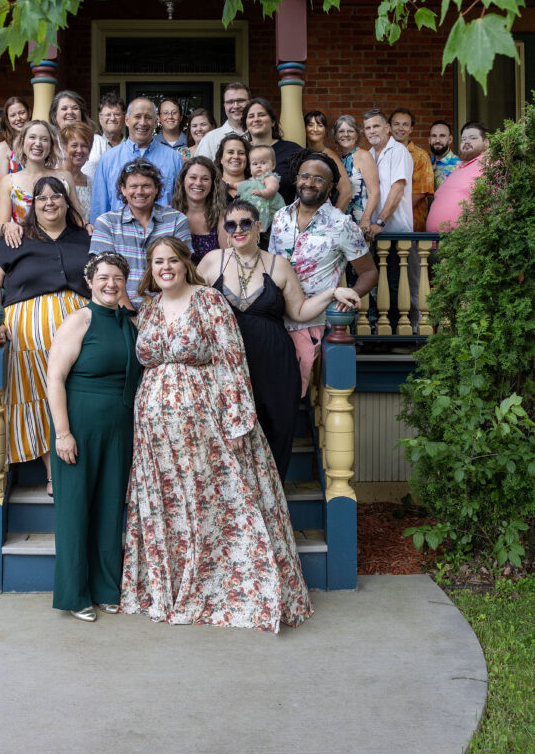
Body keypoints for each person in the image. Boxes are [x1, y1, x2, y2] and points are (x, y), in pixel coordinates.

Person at [120, 236, 314, 632]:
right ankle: (171, 588)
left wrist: (238, 418)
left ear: (185, 263)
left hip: (205, 426)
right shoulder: (150, 308)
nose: (165, 268)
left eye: (172, 260)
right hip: (156, 435)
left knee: (214, 503)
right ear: (150, 269)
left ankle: (219, 588)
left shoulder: (208, 301)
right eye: (157, 263)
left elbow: (232, 360)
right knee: (172, 507)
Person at [198, 201, 360, 480]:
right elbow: (192, 308)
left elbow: (298, 311)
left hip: (274, 367)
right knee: (227, 440)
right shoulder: (213, 261)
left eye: (246, 223)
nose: (238, 229)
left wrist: (333, 292)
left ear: (259, 227)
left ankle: (272, 506)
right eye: (231, 225)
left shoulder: (279, 265)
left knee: (276, 432)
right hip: (225, 371)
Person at [47, 252, 140, 621]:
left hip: (120, 430)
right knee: (74, 512)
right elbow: (54, 378)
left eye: (117, 277)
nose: (110, 283)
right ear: (90, 281)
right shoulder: (79, 320)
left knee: (108, 510)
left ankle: (106, 588)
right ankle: (74, 595)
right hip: (79, 429)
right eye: (103, 277)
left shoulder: (129, 323)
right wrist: (63, 433)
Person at [0, 176, 91, 494]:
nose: (49, 203)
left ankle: (82, 460)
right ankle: (52, 470)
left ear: (67, 202)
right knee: (38, 392)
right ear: (33, 205)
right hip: (28, 336)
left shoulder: (84, 239)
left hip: (80, 329)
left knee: (80, 391)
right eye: (41, 198)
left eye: (56, 196)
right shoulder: (17, 238)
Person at [270, 151, 377, 394]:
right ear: (297, 179)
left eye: (318, 179)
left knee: (294, 393)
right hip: (274, 319)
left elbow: (369, 272)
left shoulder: (342, 225)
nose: (309, 183)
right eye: (305, 176)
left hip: (311, 322)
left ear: (330, 187)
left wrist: (349, 296)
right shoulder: (279, 218)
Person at [89, 159, 191, 306]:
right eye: (133, 186)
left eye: (146, 186)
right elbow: (107, 276)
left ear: (156, 189)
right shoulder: (106, 223)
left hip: (168, 308)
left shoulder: (177, 220)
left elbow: (181, 270)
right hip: (118, 310)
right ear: (123, 189)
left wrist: (160, 313)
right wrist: (130, 315)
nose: (139, 191)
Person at [89, 97, 183, 223]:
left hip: (162, 238)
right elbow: (99, 208)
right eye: (137, 116)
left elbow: (181, 205)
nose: (142, 122)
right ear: (127, 120)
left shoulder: (174, 159)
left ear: (156, 122)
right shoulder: (108, 159)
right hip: (118, 238)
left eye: (148, 117)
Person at [362, 108, 413, 333]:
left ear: (387, 128)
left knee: (393, 285)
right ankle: (377, 332)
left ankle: (394, 336)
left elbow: (397, 189)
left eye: (376, 126)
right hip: (373, 234)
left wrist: (380, 222)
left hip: (394, 231)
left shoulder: (398, 151)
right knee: (376, 285)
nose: (372, 131)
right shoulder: (369, 154)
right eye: (368, 127)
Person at [0, 119, 84, 247]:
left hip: (62, 245)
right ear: (22, 141)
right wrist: (7, 226)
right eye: (32, 137)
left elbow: (78, 219)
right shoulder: (8, 182)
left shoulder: (65, 178)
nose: (38, 143)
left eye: (44, 139)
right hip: (23, 249)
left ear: (51, 145)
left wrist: (88, 226)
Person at [426, 121, 489, 232]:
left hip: (463, 243)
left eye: (473, 138)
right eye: (463, 139)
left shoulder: (488, 165)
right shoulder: (460, 167)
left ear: (486, 142)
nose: (467, 142)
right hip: (434, 244)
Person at [241, 97, 302, 204]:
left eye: (261, 115)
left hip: (283, 217)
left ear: (273, 121)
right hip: (245, 218)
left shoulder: (292, 150)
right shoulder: (240, 152)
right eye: (251, 116)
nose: (256, 119)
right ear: (246, 123)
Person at [170, 155, 227, 265]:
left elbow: (227, 260)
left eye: (205, 179)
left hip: (212, 279)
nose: (198, 183)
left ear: (213, 184)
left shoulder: (222, 217)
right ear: (183, 180)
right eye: (193, 177)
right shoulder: (169, 214)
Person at [389, 109, 435, 231]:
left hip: (412, 227)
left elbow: (419, 193)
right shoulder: (383, 154)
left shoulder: (421, 156)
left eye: (405, 125)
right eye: (396, 124)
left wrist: (388, 214)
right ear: (389, 127)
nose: (400, 128)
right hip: (384, 225)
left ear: (411, 129)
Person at [333, 114, 380, 231]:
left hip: (358, 221)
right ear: (336, 135)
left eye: (350, 131)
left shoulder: (363, 156)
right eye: (341, 131)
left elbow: (374, 192)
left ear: (357, 135)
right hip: (341, 222)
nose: (345, 135)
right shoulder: (340, 160)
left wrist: (365, 220)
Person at [236, 144, 285, 245]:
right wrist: (232, 184)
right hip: (257, 212)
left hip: (270, 208)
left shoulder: (270, 178)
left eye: (263, 162)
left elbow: (272, 189)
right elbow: (241, 185)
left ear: (273, 165)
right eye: (254, 164)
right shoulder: (251, 181)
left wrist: (262, 193)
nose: (258, 166)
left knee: (273, 230)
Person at [304, 110, 351, 212]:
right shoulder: (302, 154)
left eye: (320, 125)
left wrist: (334, 220)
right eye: (310, 125)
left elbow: (346, 191)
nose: (315, 129)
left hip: (323, 215)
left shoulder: (330, 156)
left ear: (325, 130)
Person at [195, 82, 250, 159]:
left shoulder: (260, 135)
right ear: (224, 106)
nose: (236, 106)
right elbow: (199, 170)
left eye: (241, 101)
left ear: (249, 103)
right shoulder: (210, 139)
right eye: (230, 102)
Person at [83, 92, 126, 181]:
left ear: (124, 117)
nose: (112, 118)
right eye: (108, 115)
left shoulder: (133, 146)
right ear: (100, 118)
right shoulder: (90, 145)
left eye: (117, 114)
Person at [59, 121, 95, 224]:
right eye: (74, 145)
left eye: (84, 146)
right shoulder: (53, 177)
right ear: (64, 147)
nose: (79, 150)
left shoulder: (91, 183)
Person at [0, 96, 30, 178]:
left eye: (22, 113)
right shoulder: (3, 147)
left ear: (29, 112)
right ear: (7, 119)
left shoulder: (38, 142)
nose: (18, 118)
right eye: (13, 115)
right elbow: (4, 184)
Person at [214, 133, 251, 200]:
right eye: (230, 152)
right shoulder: (211, 187)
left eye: (241, 153)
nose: (236, 156)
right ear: (221, 158)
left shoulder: (257, 186)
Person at [428, 120, 461, 189]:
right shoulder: (426, 164)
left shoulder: (460, 166)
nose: (437, 140)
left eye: (442, 136)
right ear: (429, 140)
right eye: (434, 136)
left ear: (450, 139)